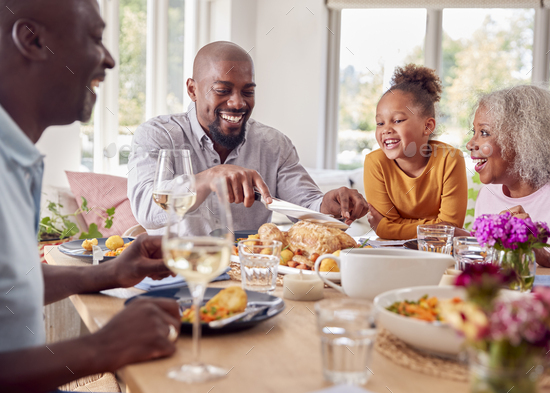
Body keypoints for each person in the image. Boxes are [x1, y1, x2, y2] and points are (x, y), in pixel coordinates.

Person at [0, 1, 180, 391]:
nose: (110, 60)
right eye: (96, 38)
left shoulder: (15, 159)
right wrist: (102, 348)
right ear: (32, 40)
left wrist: (109, 273)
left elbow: (10, 286)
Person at [127, 41, 368, 236]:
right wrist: (209, 178)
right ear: (193, 90)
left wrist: (330, 205)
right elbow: (146, 209)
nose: (238, 103)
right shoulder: (158, 135)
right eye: (222, 90)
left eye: (248, 92)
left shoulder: (274, 144)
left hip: (250, 276)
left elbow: (307, 208)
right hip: (174, 273)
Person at [466, 85, 550, 268]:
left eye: (484, 132)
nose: (470, 144)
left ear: (522, 140)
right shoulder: (488, 193)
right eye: (473, 132)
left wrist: (541, 253)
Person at [364, 64, 468, 240]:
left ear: (427, 126)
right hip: (391, 255)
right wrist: (436, 226)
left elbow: (450, 228)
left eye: (397, 120)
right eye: (380, 123)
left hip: (438, 254)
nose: (386, 129)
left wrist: (390, 228)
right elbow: (382, 229)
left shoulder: (450, 160)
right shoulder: (375, 163)